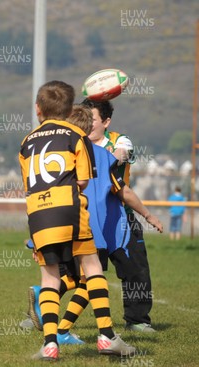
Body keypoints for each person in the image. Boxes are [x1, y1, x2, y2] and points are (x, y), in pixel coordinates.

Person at [22, 105, 163, 346]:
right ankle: (97, 335)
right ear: (89, 126)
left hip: (51, 221)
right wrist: (149, 215)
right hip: (89, 224)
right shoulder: (97, 154)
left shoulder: (54, 148)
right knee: (92, 278)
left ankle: (58, 328)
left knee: (79, 278)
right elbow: (122, 190)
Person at [19, 81, 135, 360]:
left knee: (49, 278)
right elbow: (82, 179)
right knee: (92, 267)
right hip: (70, 209)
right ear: (69, 109)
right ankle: (107, 336)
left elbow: (29, 185)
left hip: (38, 213)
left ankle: (50, 344)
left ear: (38, 109)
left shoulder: (26, 142)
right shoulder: (76, 135)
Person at [82, 98, 155, 332]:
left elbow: (122, 153)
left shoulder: (118, 139)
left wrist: (110, 156)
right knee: (75, 273)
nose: (87, 124)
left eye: (91, 120)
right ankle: (44, 311)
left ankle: (138, 321)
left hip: (122, 215)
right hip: (88, 216)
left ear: (106, 121)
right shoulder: (76, 143)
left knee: (135, 268)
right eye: (83, 119)